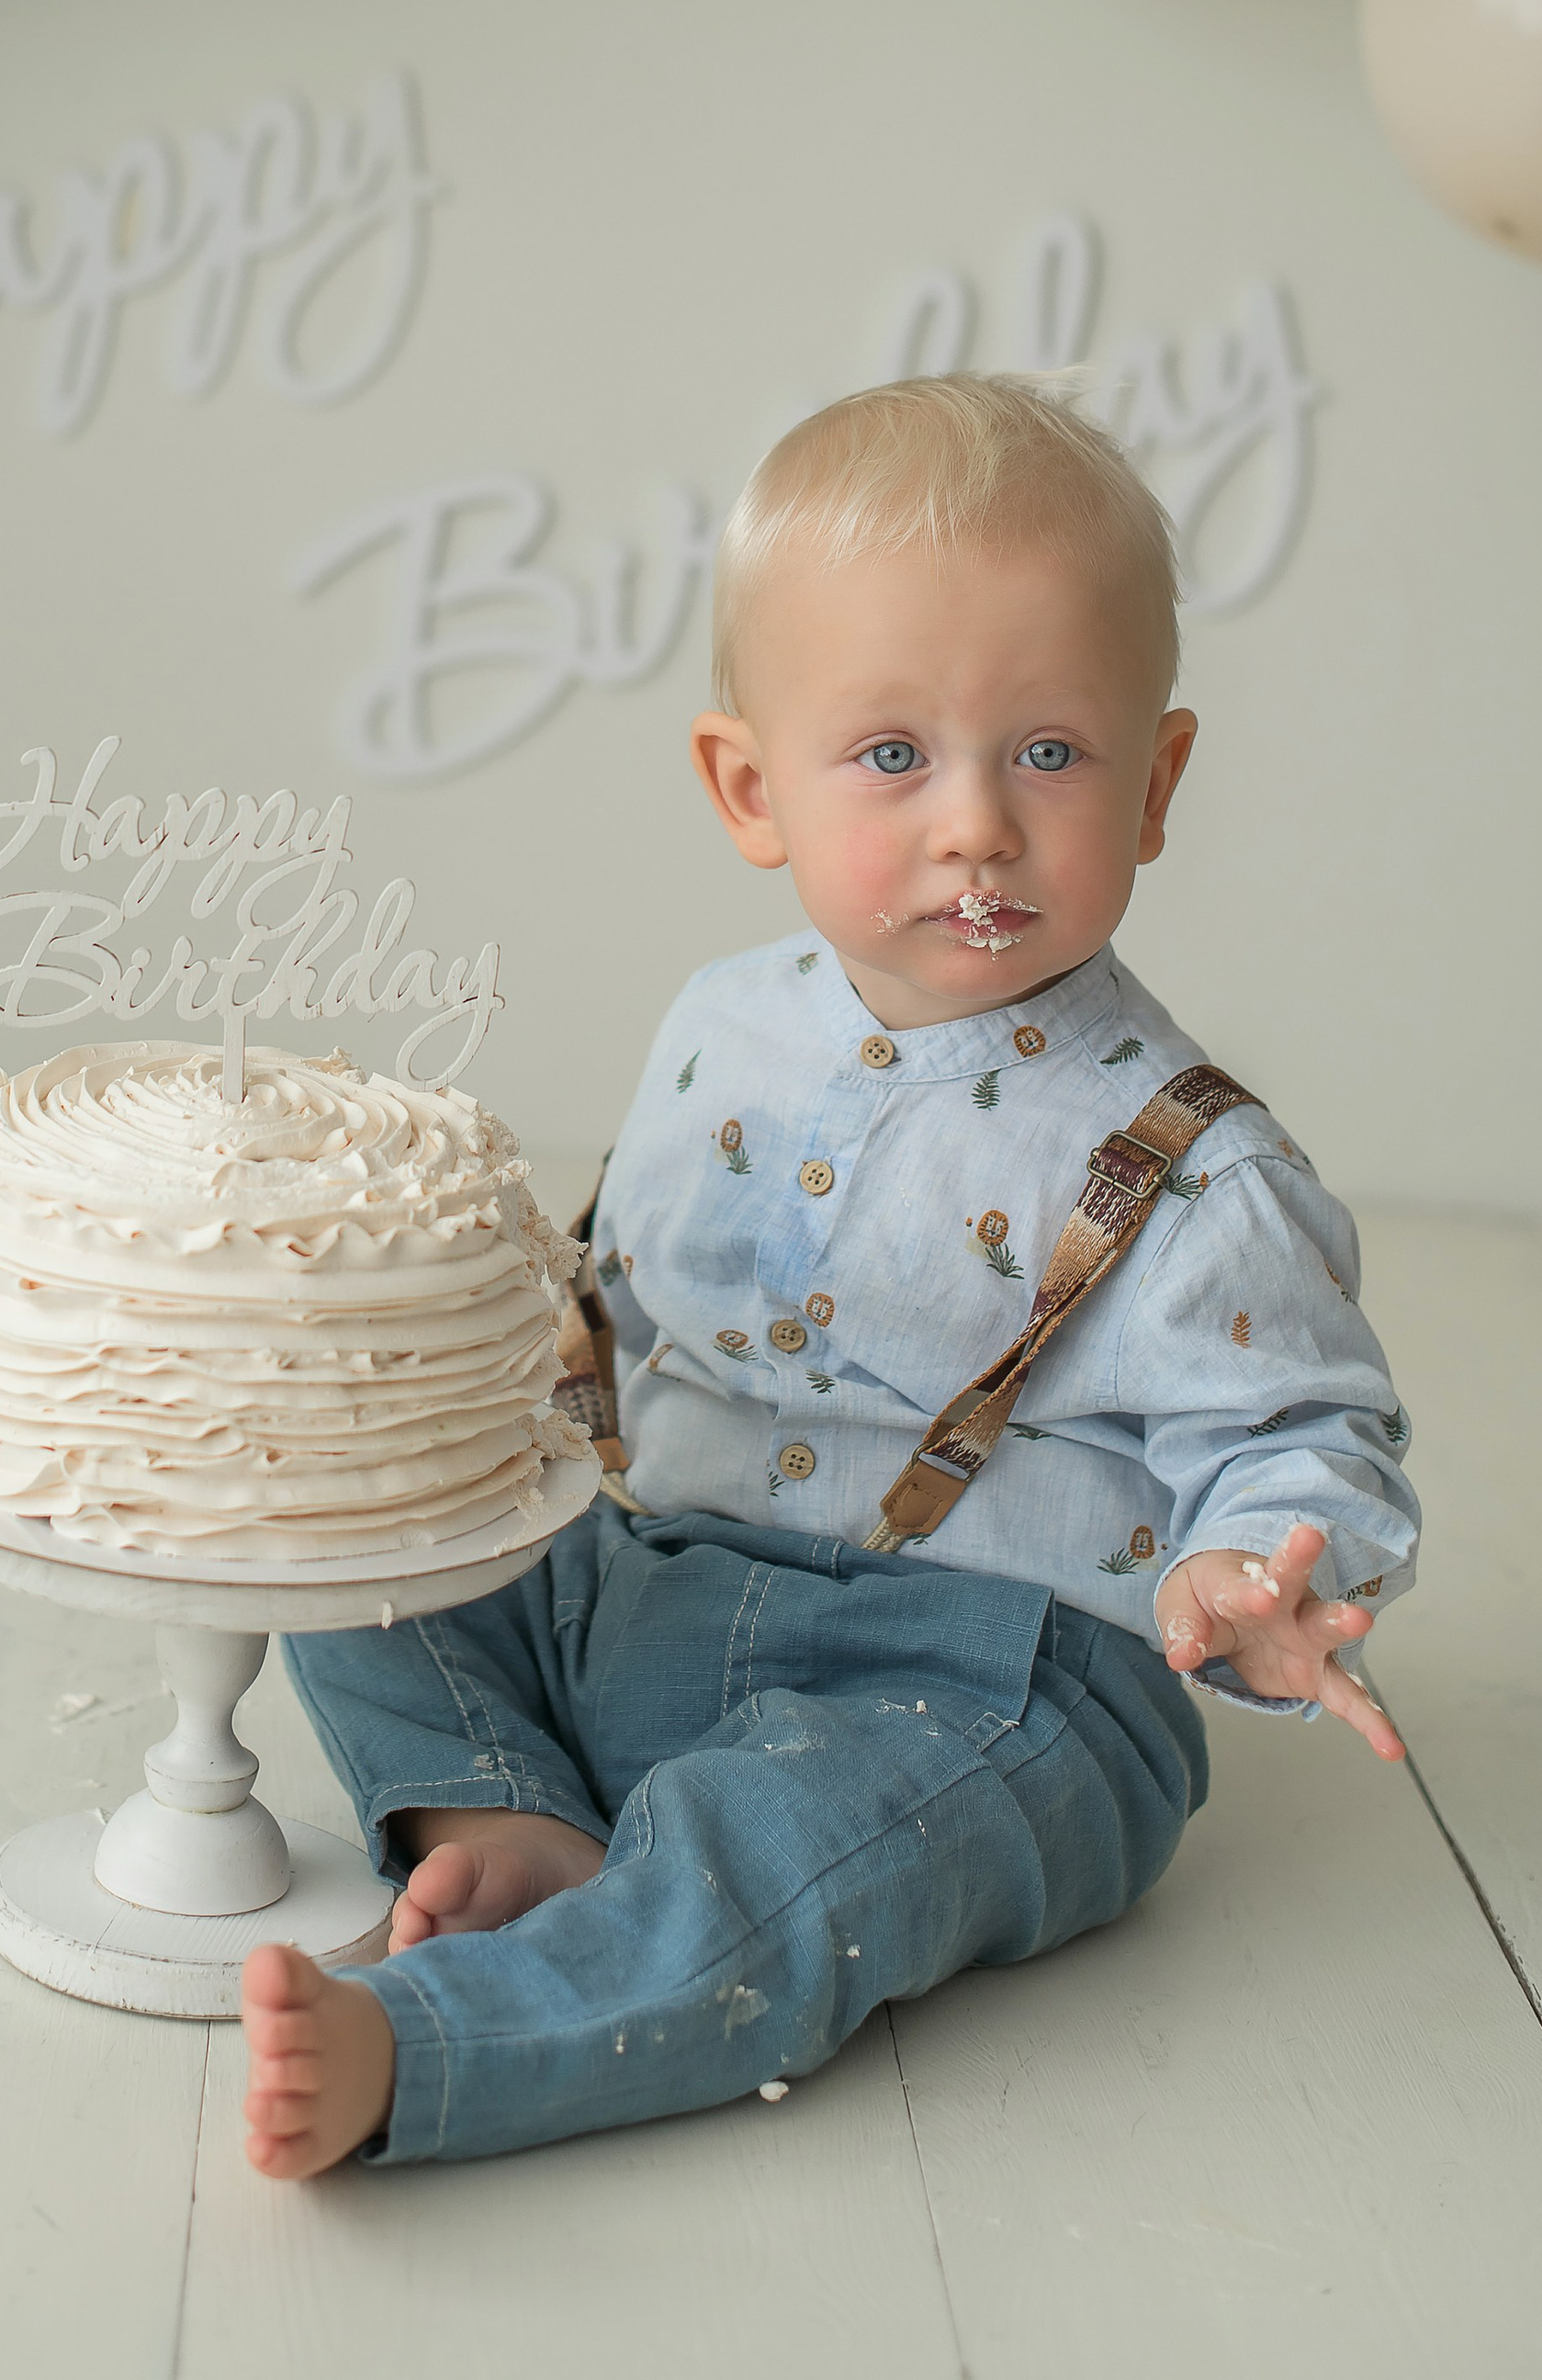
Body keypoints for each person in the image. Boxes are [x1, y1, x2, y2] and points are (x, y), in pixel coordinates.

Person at [239, 373, 1419, 2174]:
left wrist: (1251, 1570)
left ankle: (441, 2044)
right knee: (362, 1534)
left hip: (973, 1682)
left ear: (1156, 779)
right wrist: (460, 1345)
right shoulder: (717, 1026)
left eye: (1047, 752)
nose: (973, 824)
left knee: (785, 1869)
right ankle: (512, 1809)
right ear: (746, 785)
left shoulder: (1183, 1167)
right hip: (645, 1588)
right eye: (889, 755)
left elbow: (1300, 1427)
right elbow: (611, 1311)